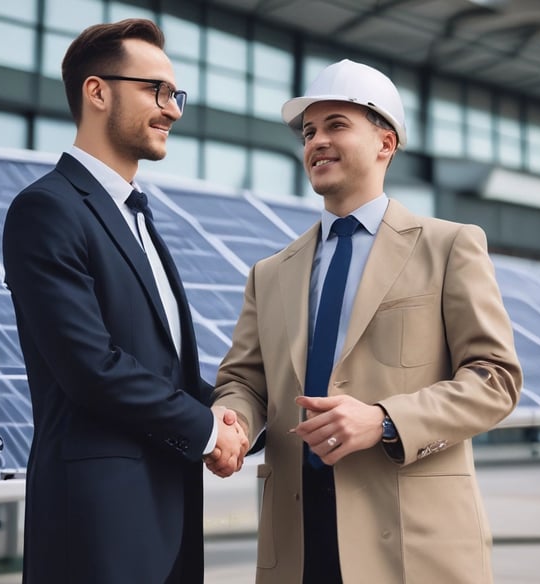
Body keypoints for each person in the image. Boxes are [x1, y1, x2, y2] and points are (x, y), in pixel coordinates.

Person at [211, 59, 523, 584]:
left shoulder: (449, 246)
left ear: (385, 144)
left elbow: (495, 379)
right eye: (309, 131)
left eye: (336, 125)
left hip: (411, 542)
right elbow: (244, 381)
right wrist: (232, 423)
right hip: (298, 540)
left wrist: (383, 420)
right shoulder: (269, 273)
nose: (317, 141)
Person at [2, 19, 248, 584]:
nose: (173, 109)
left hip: (167, 519)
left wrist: (255, 417)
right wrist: (211, 433)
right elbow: (91, 367)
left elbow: (167, 372)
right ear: (97, 91)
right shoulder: (47, 210)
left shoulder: (138, 217)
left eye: (175, 94)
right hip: (95, 528)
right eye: (155, 91)